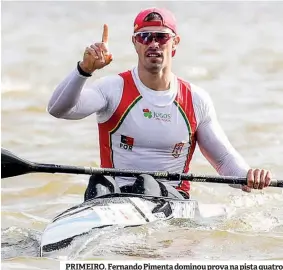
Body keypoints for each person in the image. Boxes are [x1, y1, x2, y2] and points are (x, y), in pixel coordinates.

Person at [47, 7, 272, 201]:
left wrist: (249, 177)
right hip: (114, 197)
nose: (153, 44)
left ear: (175, 43)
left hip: (172, 197)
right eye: (145, 37)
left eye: (161, 37)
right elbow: (58, 109)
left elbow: (223, 160)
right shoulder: (112, 88)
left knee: (147, 183)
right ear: (135, 43)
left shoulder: (195, 99)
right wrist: (84, 70)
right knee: (98, 180)